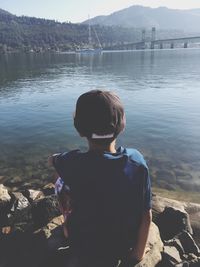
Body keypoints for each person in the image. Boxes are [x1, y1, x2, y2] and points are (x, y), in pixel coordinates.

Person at [49, 90, 152, 267]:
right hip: (123, 245)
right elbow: (146, 215)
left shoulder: (71, 161)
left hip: (81, 241)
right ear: (122, 126)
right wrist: (138, 255)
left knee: (60, 178)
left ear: (79, 130)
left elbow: (52, 160)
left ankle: (67, 225)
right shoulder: (136, 161)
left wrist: (60, 159)